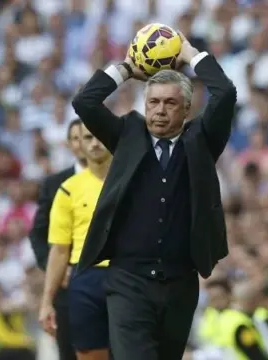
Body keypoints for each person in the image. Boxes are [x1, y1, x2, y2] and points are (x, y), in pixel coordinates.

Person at [71, 33, 237, 360]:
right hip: (127, 281)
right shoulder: (127, 134)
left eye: (170, 103)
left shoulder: (202, 140)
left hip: (181, 282)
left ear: (187, 109)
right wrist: (127, 68)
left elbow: (226, 92)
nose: (160, 111)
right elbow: (84, 102)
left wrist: (191, 54)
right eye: (153, 102)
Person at [39, 123, 113, 360]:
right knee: (89, 354)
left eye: (100, 136)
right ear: (78, 143)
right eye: (88, 137)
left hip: (127, 276)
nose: (95, 143)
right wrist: (46, 301)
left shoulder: (134, 183)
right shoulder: (68, 190)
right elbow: (59, 250)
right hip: (85, 279)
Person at [29, 118, 84, 360]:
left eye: (90, 137)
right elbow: (38, 233)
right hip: (67, 282)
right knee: (69, 352)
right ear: (69, 145)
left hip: (109, 280)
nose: (83, 143)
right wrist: (55, 270)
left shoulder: (116, 178)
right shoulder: (55, 184)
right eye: (76, 138)